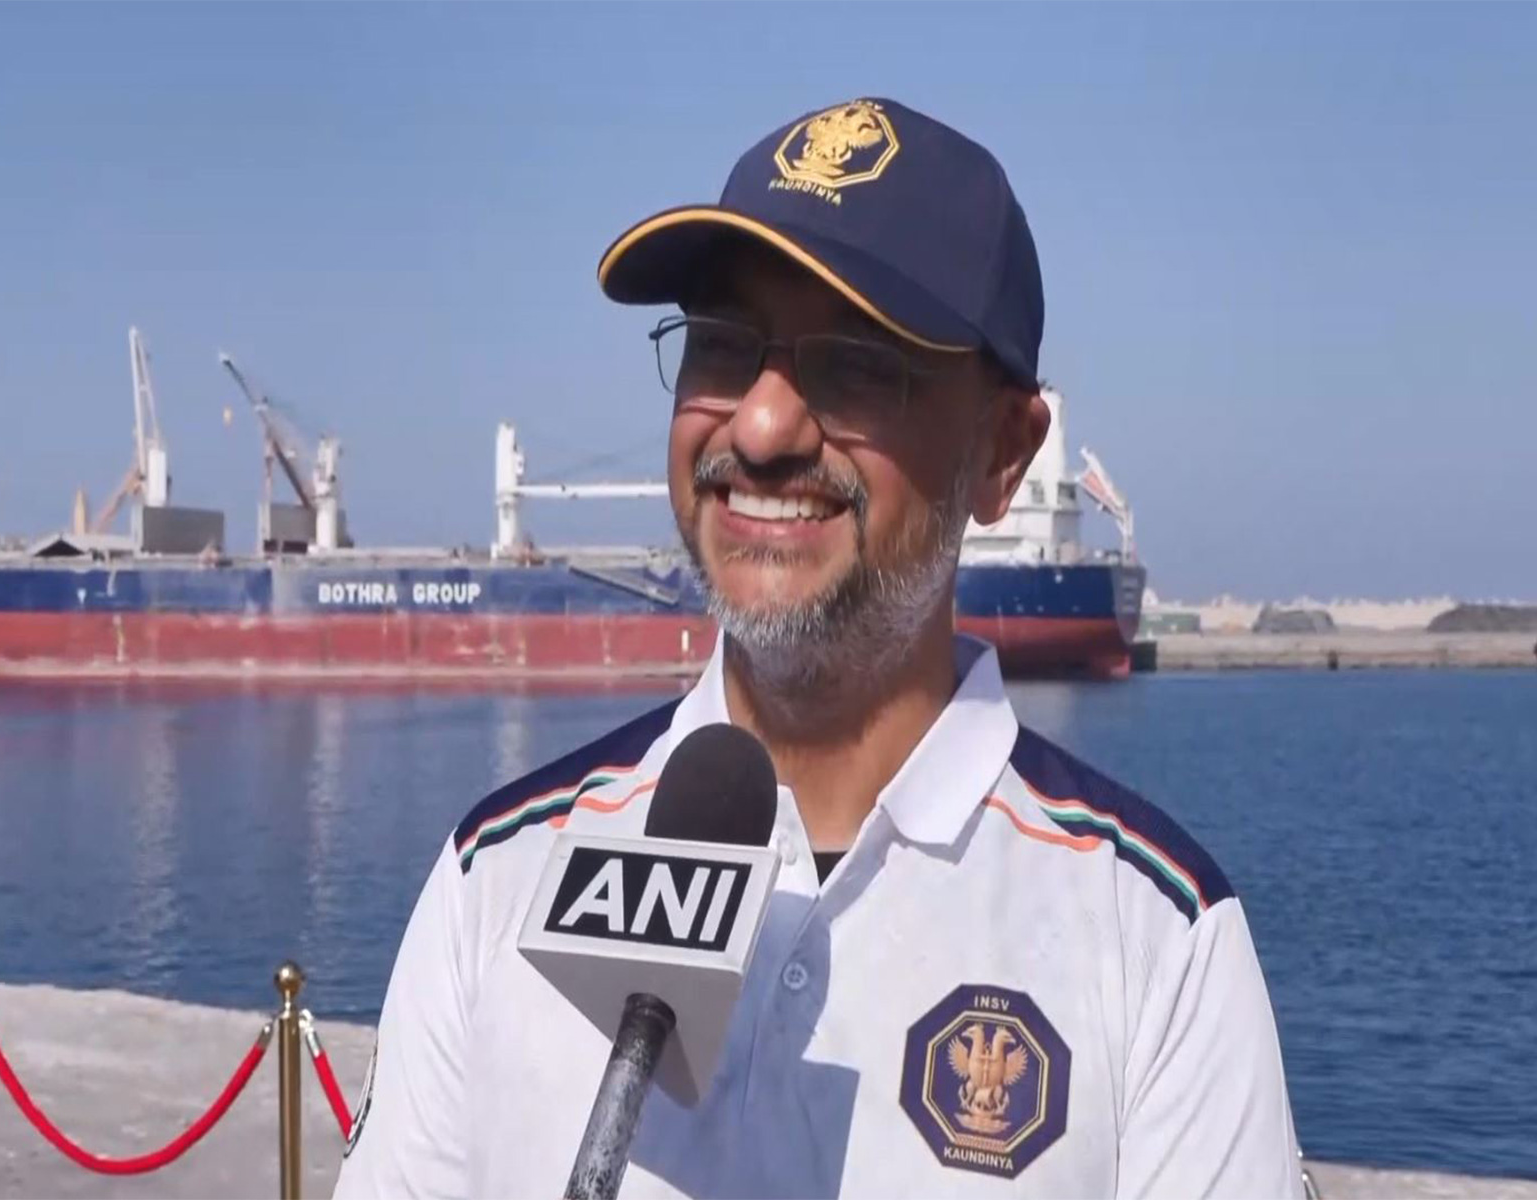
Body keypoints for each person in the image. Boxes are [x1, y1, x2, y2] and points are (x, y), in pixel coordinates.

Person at [333, 97, 1303, 1198]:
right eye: (721, 345)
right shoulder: (493, 875)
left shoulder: (1156, 940)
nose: (759, 428)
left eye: (856, 363)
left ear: (1004, 452)